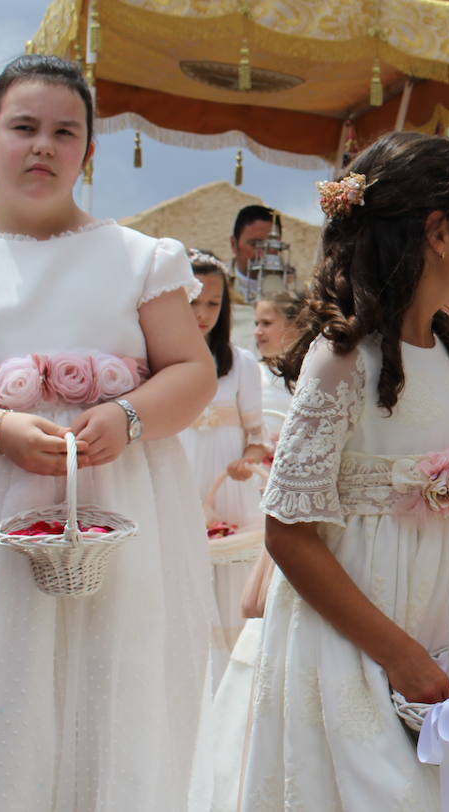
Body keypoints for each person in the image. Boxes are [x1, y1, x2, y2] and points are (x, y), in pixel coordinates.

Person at [241, 133, 449, 809]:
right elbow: (288, 533)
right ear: (437, 233)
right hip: (359, 637)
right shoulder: (341, 361)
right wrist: (397, 653)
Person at [0, 55, 216, 809]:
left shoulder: (140, 258)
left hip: (117, 506)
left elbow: (191, 373)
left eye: (65, 132)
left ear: (88, 152)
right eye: (23, 127)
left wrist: (129, 417)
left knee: (112, 683)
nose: (42, 147)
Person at [180, 249, 269, 683]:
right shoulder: (162, 364)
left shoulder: (240, 365)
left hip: (225, 488)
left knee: (228, 581)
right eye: (193, 302)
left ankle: (229, 681)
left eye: (212, 304)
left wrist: (245, 463)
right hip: (179, 482)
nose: (202, 313)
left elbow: (258, 440)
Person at [253, 289, 306, 418]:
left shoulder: (315, 373)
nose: (257, 332)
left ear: (296, 324)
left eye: (266, 323)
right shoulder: (252, 371)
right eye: (257, 324)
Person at [228, 204, 274, 303]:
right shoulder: (220, 288)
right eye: (254, 244)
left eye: (270, 246)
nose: (262, 254)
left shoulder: (294, 294)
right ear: (234, 244)